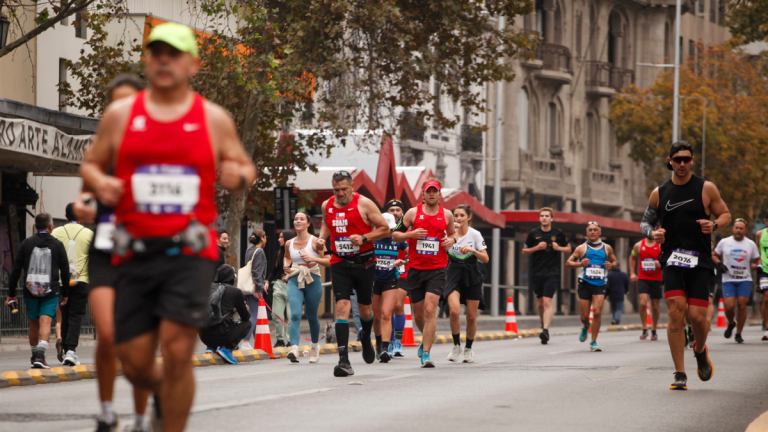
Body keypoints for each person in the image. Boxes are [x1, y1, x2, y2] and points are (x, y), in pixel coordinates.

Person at [79, 22, 256, 432]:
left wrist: (238, 176)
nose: (163, 60)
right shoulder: (122, 115)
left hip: (189, 250)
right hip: (133, 249)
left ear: (192, 64)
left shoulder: (213, 119)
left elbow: (244, 166)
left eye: (173, 53)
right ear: (148, 60)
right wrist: (101, 182)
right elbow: (90, 162)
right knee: (137, 363)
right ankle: (163, 391)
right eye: (156, 52)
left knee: (178, 353)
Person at [74, 73, 152, 432]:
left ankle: (139, 418)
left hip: (145, 255)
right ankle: (107, 412)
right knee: (107, 335)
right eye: (114, 104)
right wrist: (85, 206)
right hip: (106, 251)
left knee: (139, 344)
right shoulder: (100, 151)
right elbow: (84, 197)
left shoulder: (158, 148)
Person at [641, 140, 730, 391]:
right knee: (676, 310)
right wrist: (652, 234)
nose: (682, 163)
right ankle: (680, 373)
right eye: (677, 159)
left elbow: (725, 215)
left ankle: (700, 350)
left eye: (686, 159)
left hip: (700, 260)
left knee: (698, 318)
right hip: (671, 259)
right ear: (670, 161)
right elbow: (645, 223)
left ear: (692, 161)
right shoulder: (659, 192)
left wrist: (714, 225)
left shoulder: (706, 188)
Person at [319, 171, 390, 377]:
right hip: (340, 262)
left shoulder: (365, 204)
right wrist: (322, 238)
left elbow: (385, 229)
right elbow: (326, 222)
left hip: (364, 263)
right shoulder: (327, 205)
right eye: (336, 190)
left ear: (352, 187)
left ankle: (366, 337)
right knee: (342, 307)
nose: (340, 193)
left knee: (366, 310)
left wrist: (365, 237)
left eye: (344, 189)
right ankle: (344, 360)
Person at [393, 178, 458, 368]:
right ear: (423, 194)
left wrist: (451, 241)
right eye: (428, 191)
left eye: (434, 191)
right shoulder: (413, 213)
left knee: (430, 310)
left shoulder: (446, 215)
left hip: (437, 269)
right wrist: (410, 235)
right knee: (419, 316)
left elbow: (453, 234)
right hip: (415, 269)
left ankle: (427, 354)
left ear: (439, 194)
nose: (431, 194)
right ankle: (427, 337)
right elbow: (396, 235)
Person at [7, 212, 70, 370]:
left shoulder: (26, 244)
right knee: (46, 321)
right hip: (51, 291)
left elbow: (16, 270)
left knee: (33, 324)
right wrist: (65, 293)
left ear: (35, 226)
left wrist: (11, 293)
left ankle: (35, 356)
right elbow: (65, 270)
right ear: (51, 226)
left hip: (30, 291)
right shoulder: (57, 244)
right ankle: (40, 357)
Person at [51, 203, 93, 366]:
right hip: (82, 280)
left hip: (61, 281)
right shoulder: (89, 234)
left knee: (65, 314)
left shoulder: (56, 232)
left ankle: (67, 347)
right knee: (76, 315)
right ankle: (71, 351)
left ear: (66, 216)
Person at [445, 205, 488, 363]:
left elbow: (485, 258)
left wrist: (472, 250)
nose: (458, 218)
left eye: (462, 215)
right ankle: (456, 345)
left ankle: (469, 348)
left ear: (469, 217)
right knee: (454, 311)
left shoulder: (475, 234)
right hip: (453, 272)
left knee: (471, 316)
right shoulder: (448, 233)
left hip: (471, 273)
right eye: (456, 215)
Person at [522, 207, 571, 344]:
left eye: (547, 216)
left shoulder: (558, 233)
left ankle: (545, 330)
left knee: (546, 302)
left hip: (552, 273)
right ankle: (543, 323)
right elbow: (524, 251)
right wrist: (536, 248)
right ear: (539, 218)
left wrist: (559, 248)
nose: (544, 218)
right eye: (542, 216)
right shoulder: (533, 233)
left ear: (551, 218)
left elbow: (568, 248)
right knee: (539, 303)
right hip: (537, 273)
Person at [565, 222, 617, 352]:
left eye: (595, 230)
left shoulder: (607, 248)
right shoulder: (581, 248)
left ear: (600, 232)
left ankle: (593, 342)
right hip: (585, 283)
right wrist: (579, 264)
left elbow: (614, 261)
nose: (593, 232)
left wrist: (612, 265)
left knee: (598, 312)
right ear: (586, 233)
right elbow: (568, 263)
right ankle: (585, 326)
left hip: (600, 283)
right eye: (590, 230)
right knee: (584, 316)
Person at [285, 211, 329, 363]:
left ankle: (315, 346)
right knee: (295, 314)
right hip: (294, 279)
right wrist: (286, 265)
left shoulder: (316, 242)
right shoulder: (289, 243)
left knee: (312, 316)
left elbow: (329, 260)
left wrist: (313, 258)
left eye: (301, 219)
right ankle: (294, 349)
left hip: (313, 278)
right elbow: (287, 256)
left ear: (308, 223)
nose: (298, 221)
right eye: (296, 219)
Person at [714, 218, 759, 343]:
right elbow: (714, 254)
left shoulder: (750, 244)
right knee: (729, 307)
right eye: (736, 228)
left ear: (745, 230)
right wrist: (719, 264)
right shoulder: (724, 242)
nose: (738, 230)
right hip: (728, 279)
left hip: (745, 279)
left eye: (741, 228)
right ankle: (731, 323)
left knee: (742, 306)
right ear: (733, 229)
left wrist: (757, 266)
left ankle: (738, 333)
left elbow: (757, 259)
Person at [371, 213, 407, 362]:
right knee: (376, 316)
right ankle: (379, 343)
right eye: (387, 229)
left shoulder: (398, 240)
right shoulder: (372, 239)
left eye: (392, 229)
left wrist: (402, 261)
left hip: (391, 280)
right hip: (373, 281)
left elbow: (412, 255)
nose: (390, 232)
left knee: (387, 314)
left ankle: (386, 348)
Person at [200, 265, 251, 364]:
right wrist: (241, 308)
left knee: (213, 320)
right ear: (232, 277)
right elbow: (245, 317)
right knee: (247, 323)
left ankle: (211, 347)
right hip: (222, 335)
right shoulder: (235, 292)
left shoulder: (207, 288)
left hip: (204, 336)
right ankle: (226, 349)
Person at [384, 199, 409, 358]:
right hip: (386, 270)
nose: (395, 213)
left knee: (398, 305)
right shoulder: (383, 228)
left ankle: (398, 341)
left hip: (404, 270)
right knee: (388, 309)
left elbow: (411, 250)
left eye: (397, 210)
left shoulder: (408, 228)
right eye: (391, 210)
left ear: (402, 213)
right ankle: (390, 341)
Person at [629, 234, 662, 340]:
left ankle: (654, 329)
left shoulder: (661, 245)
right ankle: (644, 328)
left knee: (655, 306)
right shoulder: (638, 245)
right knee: (643, 303)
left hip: (657, 279)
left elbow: (667, 258)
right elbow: (632, 257)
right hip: (643, 277)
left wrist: (661, 263)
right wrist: (632, 273)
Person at [241, 230, 268, 351]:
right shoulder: (260, 251)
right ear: (262, 238)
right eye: (265, 237)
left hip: (247, 287)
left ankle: (257, 343)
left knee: (254, 314)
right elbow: (257, 272)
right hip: (254, 288)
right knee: (254, 316)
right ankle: (245, 342)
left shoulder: (249, 250)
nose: (266, 239)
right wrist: (258, 289)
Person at [268, 230, 295, 347]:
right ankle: (280, 340)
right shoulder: (278, 253)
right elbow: (274, 271)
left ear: (288, 239)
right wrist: (267, 281)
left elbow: (301, 269)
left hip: (292, 285)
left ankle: (290, 340)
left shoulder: (295, 253)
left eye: (281, 237)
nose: (279, 239)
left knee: (291, 316)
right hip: (279, 284)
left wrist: (290, 276)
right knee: (276, 314)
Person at [753, 214, 768, 341]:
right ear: (765, 221)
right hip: (765, 270)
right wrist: (759, 262)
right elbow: (757, 247)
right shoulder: (759, 234)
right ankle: (767, 326)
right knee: (766, 297)